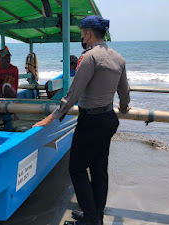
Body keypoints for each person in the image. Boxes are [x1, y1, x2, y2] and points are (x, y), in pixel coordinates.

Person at [33, 15, 131, 225]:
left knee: (77, 168)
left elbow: (74, 93)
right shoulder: (118, 58)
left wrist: (53, 116)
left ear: (88, 33)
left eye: (82, 32)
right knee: (98, 170)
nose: (81, 36)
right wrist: (123, 107)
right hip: (108, 119)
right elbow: (124, 91)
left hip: (91, 121)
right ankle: (95, 215)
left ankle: (90, 219)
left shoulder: (88, 58)